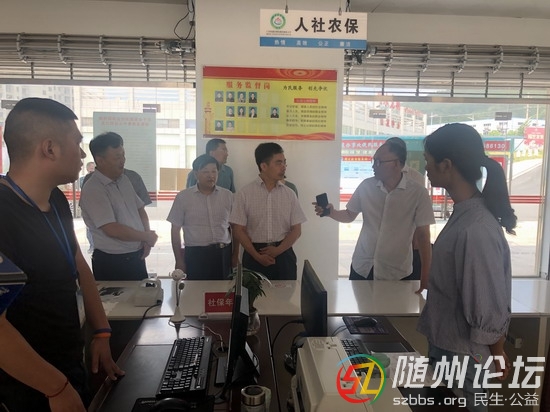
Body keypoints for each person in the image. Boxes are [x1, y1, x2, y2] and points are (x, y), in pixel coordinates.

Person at [0, 97, 123, 411]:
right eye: (77, 143)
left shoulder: (55, 200)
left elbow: (78, 263)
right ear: (49, 148)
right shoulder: (3, 213)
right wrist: (55, 388)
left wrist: (101, 331)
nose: (82, 154)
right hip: (28, 385)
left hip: (67, 365)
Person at [417, 123, 516, 412]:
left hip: (463, 356)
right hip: (449, 348)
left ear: (446, 165)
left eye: (428, 161)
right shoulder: (464, 215)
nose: (426, 168)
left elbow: (485, 302)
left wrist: (497, 352)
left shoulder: (476, 228)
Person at [315, 138, 434, 290]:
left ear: (396, 164)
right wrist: (331, 212)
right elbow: (349, 215)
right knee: (357, 306)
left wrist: (425, 276)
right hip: (362, 267)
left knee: (391, 306)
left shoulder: (417, 193)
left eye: (378, 162)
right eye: (373, 161)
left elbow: (423, 235)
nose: (373, 166)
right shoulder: (366, 186)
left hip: (396, 272)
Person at [80, 132, 158, 281]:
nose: (122, 161)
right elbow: (111, 229)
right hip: (112, 262)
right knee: (117, 297)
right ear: (100, 160)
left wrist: (146, 237)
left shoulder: (124, 180)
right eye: (117, 157)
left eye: (123, 155)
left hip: (136, 256)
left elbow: (140, 209)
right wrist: (145, 236)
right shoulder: (93, 189)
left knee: (141, 295)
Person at [230, 142, 306, 280]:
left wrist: (277, 250)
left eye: (284, 162)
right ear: (263, 166)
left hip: (283, 255)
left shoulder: (289, 194)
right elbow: (238, 230)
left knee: (285, 293)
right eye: (278, 163)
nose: (284, 167)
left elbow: (297, 230)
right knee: (253, 294)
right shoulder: (245, 193)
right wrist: (257, 256)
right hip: (254, 255)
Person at [167, 154, 237, 280]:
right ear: (195, 174)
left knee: (222, 290)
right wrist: (179, 260)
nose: (211, 176)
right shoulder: (183, 197)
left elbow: (235, 227)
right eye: (205, 172)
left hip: (222, 253)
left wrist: (235, 254)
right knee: (196, 290)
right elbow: (175, 229)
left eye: (214, 171)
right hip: (195, 254)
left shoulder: (228, 196)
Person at [79, 161, 96, 253]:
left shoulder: (99, 178)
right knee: (89, 226)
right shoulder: (83, 179)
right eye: (91, 169)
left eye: (94, 168)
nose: (93, 170)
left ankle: (96, 246)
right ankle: (92, 245)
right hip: (87, 206)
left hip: (97, 206)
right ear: (87, 169)